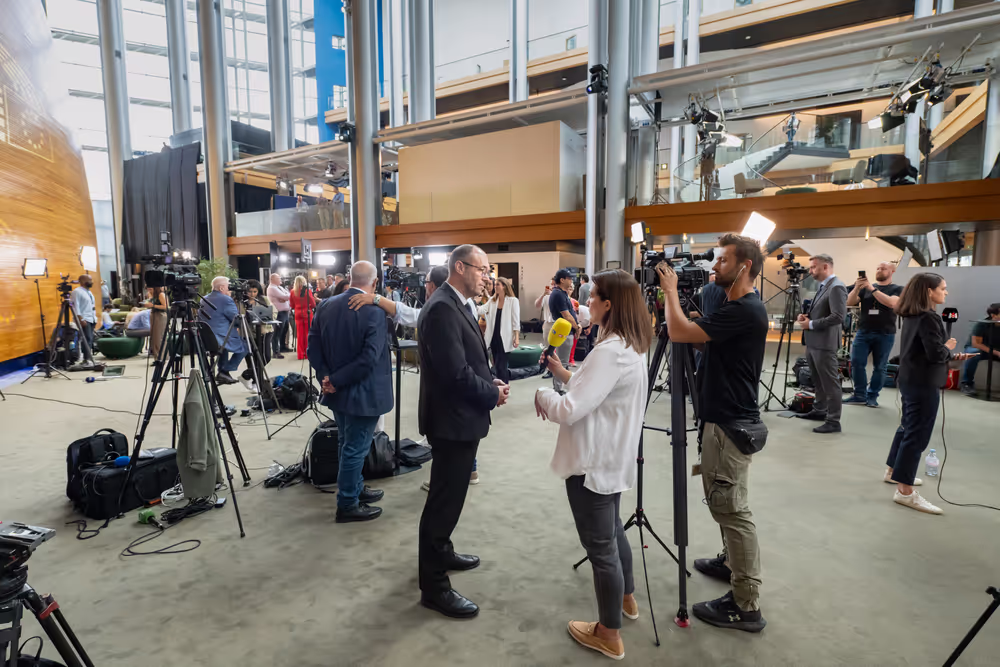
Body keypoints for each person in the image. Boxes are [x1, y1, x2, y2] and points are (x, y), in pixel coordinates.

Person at [534, 269, 650, 660]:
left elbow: (570, 409)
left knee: (601, 548)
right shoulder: (629, 345)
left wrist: (541, 395)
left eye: (592, 297)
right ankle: (626, 599)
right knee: (613, 533)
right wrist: (561, 373)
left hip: (592, 464)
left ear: (608, 304)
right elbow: (592, 391)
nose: (585, 304)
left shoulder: (608, 352)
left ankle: (608, 633)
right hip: (611, 459)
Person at [657, 233, 768, 633]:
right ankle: (729, 562)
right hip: (724, 418)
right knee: (724, 500)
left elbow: (680, 333)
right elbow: (706, 342)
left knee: (732, 510)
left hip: (729, 422)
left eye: (722, 260)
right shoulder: (736, 308)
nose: (714, 266)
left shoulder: (745, 309)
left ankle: (746, 604)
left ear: (745, 267)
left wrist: (670, 292)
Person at [416, 244, 509, 619]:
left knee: (450, 500)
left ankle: (443, 552)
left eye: (487, 270)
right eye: (481, 269)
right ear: (459, 267)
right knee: (442, 504)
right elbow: (454, 373)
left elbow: (468, 360)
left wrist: (489, 379)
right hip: (451, 421)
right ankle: (433, 586)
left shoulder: (454, 303)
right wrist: (491, 393)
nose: (486, 276)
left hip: (460, 417)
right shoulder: (441, 308)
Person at [307, 261, 391, 523]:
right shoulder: (375, 311)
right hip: (362, 392)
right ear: (375, 283)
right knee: (355, 447)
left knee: (347, 443)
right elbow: (369, 358)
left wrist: (326, 378)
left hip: (337, 391)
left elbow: (313, 348)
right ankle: (348, 504)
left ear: (349, 278)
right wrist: (337, 379)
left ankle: (355, 488)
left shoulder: (325, 305)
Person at [884, 274, 974, 514]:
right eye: (943, 289)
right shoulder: (929, 318)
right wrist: (949, 349)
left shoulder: (912, 316)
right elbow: (935, 354)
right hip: (923, 384)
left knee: (907, 428)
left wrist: (951, 356)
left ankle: (894, 472)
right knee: (917, 434)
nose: (946, 293)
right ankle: (905, 491)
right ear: (928, 291)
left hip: (911, 379)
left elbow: (924, 352)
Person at [795, 254, 847, 434]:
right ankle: (819, 410)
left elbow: (838, 316)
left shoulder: (837, 287)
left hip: (824, 343)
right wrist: (807, 317)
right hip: (814, 341)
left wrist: (811, 324)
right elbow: (822, 311)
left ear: (825, 267)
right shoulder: (824, 286)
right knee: (818, 381)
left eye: (813, 268)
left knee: (830, 383)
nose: (810, 272)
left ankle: (833, 421)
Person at [845, 262, 903, 408]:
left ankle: (872, 396)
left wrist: (872, 288)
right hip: (863, 331)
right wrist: (857, 288)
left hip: (885, 333)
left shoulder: (897, 289)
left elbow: (892, 303)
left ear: (892, 271)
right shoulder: (864, 289)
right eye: (877, 268)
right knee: (857, 362)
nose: (879, 270)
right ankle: (859, 395)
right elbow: (849, 302)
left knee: (880, 366)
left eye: (883, 268)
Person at [199, 277, 247, 385]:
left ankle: (223, 373)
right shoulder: (226, 299)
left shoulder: (204, 298)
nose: (230, 289)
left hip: (206, 338)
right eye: (228, 286)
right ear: (221, 288)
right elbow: (236, 319)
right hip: (220, 338)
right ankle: (225, 370)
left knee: (225, 345)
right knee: (246, 345)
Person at [478, 276, 520, 383]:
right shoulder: (493, 300)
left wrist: (517, 337)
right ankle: (500, 386)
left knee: (502, 366)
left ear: (504, 287)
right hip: (493, 336)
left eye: (497, 284)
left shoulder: (513, 301)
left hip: (505, 338)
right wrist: (473, 302)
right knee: (496, 364)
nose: (495, 286)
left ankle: (504, 386)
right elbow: (481, 310)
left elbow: (516, 320)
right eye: (495, 284)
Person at [549, 269, 581, 392]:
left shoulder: (562, 293)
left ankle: (559, 387)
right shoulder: (558, 294)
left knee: (563, 361)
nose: (571, 281)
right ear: (562, 280)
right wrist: (577, 327)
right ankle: (557, 389)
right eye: (569, 278)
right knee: (561, 363)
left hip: (566, 332)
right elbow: (566, 315)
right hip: (563, 332)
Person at [239, 280, 273, 392]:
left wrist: (266, 318)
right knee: (251, 358)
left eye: (254, 291)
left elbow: (273, 311)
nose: (252, 294)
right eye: (250, 291)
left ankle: (246, 375)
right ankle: (257, 382)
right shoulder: (241, 302)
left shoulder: (264, 299)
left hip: (264, 331)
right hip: (248, 333)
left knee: (265, 357)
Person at [960, 303, 1000, 394]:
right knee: (974, 354)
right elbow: (976, 344)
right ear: (993, 315)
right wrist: (996, 352)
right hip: (979, 349)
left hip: (996, 350)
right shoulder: (982, 324)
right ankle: (967, 384)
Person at [71, 274, 97, 364]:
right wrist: (80, 318)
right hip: (84, 318)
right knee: (86, 339)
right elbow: (75, 306)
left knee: (90, 339)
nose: (92, 282)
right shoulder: (76, 292)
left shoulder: (88, 292)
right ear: (82, 281)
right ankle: (86, 359)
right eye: (89, 280)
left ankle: (88, 358)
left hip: (92, 318)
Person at [290, 275, 317, 361]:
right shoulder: (307, 291)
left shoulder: (292, 292)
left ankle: (301, 354)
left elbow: (292, 305)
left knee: (300, 334)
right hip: (307, 313)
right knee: (308, 334)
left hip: (298, 313)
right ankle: (308, 353)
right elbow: (313, 304)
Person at [267, 273, 292, 358]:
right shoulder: (272, 288)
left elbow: (288, 295)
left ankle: (282, 347)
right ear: (272, 279)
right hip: (278, 313)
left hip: (285, 312)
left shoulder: (280, 287)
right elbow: (285, 297)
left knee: (284, 330)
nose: (280, 279)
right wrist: (284, 298)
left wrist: (285, 297)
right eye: (278, 278)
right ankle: (275, 351)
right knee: (277, 332)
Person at [145, 286, 169, 360]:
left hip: (160, 315)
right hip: (153, 314)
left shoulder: (161, 294)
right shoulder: (150, 294)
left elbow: (165, 306)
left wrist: (153, 305)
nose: (148, 289)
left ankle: (161, 357)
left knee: (159, 337)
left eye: (150, 288)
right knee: (154, 337)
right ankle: (157, 356)